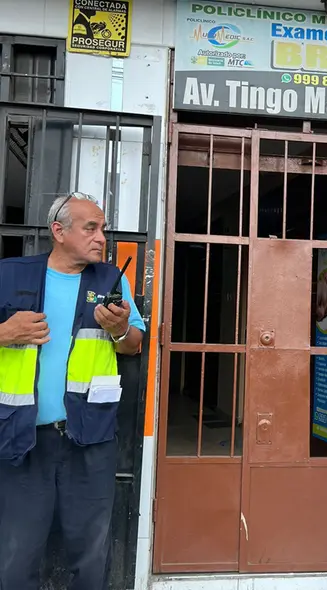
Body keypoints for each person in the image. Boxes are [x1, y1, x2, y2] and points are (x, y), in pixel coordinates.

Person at [0, 192, 147, 590]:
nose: (101, 237)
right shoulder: (9, 274)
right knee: (16, 555)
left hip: (91, 438)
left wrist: (119, 330)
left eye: (103, 229)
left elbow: (134, 344)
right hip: (23, 440)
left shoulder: (112, 280)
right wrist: (4, 333)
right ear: (59, 231)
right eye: (91, 228)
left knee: (92, 554)